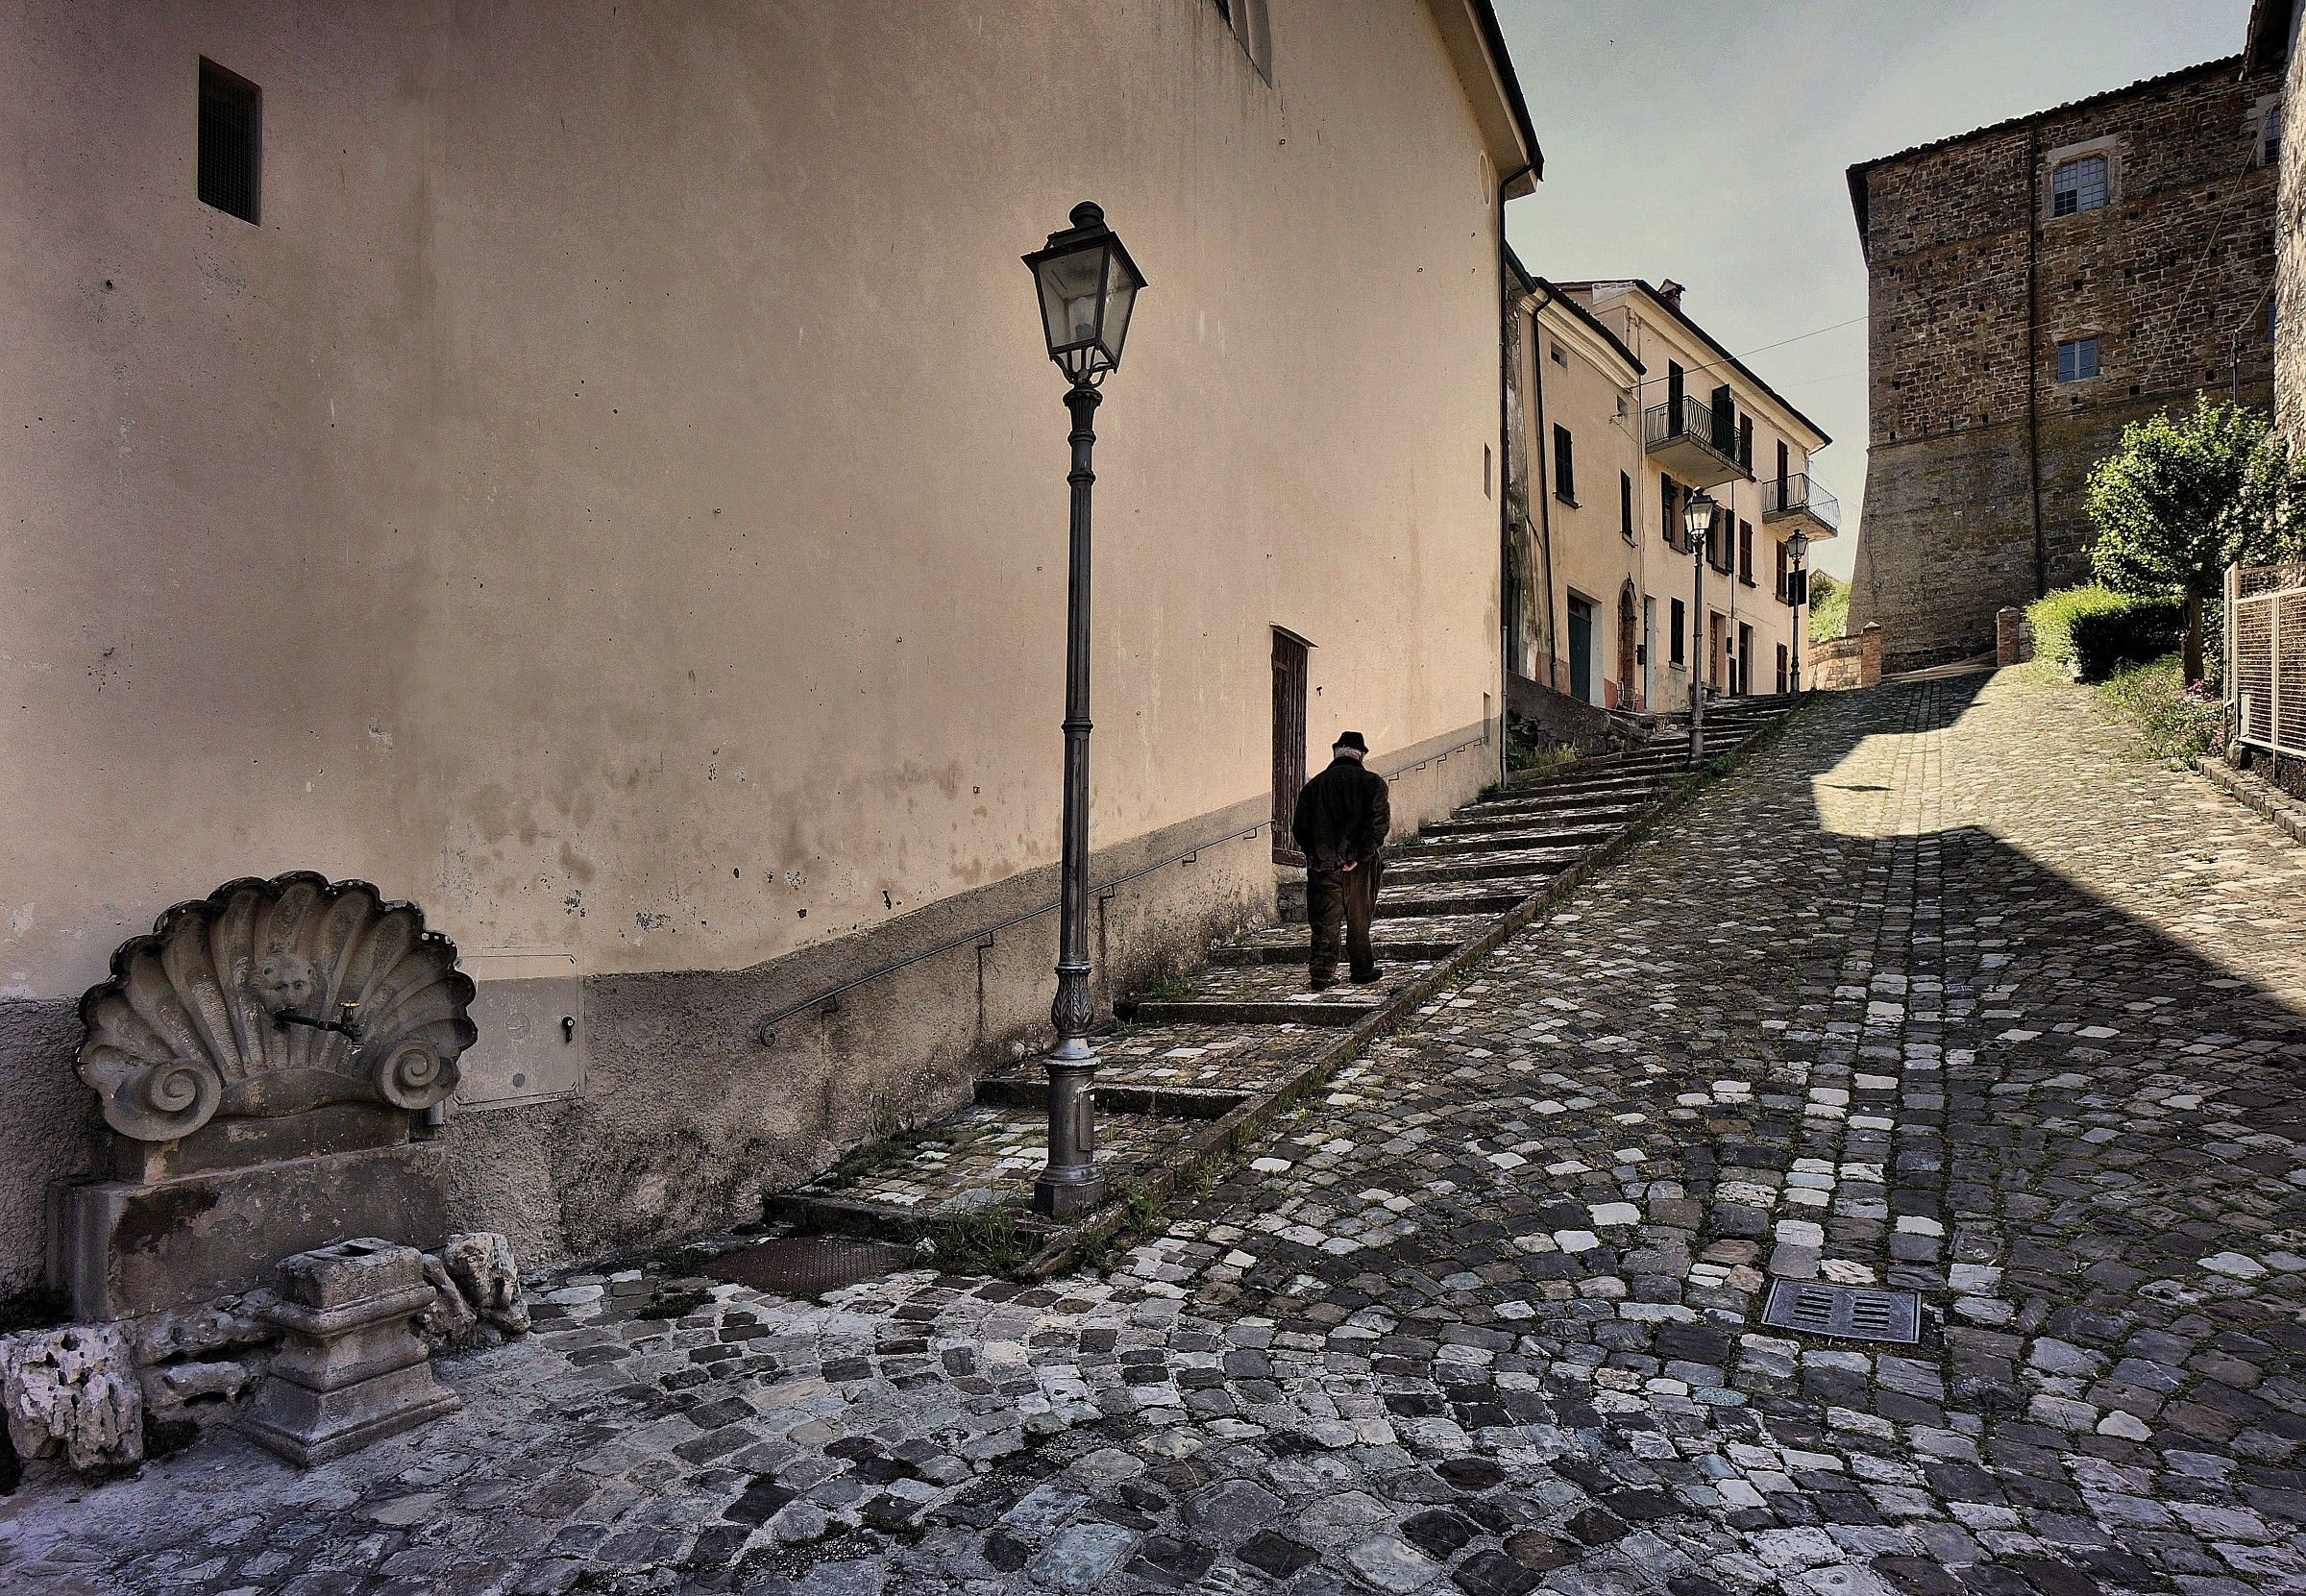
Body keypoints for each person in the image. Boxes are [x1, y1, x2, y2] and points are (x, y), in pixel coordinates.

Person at [1290, 731, 1390, 990]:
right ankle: (1361, 970)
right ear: (1361, 754)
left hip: (1323, 867)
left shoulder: (1312, 787)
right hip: (1361, 868)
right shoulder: (1372, 783)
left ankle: (1321, 975)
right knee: (1359, 920)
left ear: (1336, 752)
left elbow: (1300, 829)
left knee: (1325, 922)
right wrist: (1359, 856)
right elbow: (1378, 825)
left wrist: (1318, 854)